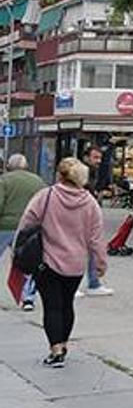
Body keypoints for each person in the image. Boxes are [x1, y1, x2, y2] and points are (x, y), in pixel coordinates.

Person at [14, 158, 105, 368]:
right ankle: (63, 344)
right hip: (76, 264)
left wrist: (18, 250)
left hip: (47, 262)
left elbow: (27, 223)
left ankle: (55, 351)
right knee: (67, 305)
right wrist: (100, 262)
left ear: (59, 175)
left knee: (52, 306)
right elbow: (96, 237)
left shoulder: (46, 197)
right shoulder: (90, 202)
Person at [0, 154, 45, 312]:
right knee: (29, 262)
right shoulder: (38, 181)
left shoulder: (4, 181)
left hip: (5, 226)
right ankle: (28, 299)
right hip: (29, 229)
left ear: (9, 166)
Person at [79, 145, 114, 296]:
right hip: (80, 216)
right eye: (95, 157)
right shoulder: (81, 172)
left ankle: (94, 282)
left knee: (92, 248)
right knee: (78, 249)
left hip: (89, 215)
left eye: (100, 158)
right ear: (86, 157)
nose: (98, 161)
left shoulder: (93, 172)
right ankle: (77, 284)